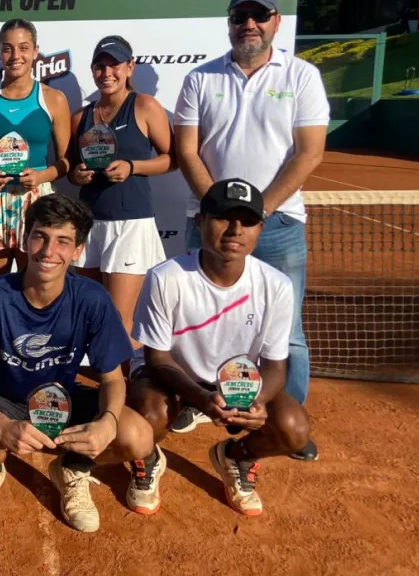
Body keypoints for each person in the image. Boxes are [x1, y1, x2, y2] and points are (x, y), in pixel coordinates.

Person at [173, 0, 328, 460]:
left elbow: (309, 152)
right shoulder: (200, 78)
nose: (250, 24)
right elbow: (186, 151)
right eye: (241, 16)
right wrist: (218, 212)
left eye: (260, 15)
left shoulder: (302, 76)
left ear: (276, 22)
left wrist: (259, 212)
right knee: (194, 320)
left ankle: (283, 421)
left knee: (288, 334)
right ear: (230, 23)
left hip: (279, 225)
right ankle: (195, 400)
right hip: (210, 224)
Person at [0, 194, 154, 533]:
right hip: (3, 400)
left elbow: (112, 379)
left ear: (78, 250)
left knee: (137, 436)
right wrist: (0, 425)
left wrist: (107, 422)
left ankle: (73, 468)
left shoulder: (92, 298)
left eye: (63, 241)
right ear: (25, 239)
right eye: (40, 237)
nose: (48, 251)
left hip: (62, 400)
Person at [125, 179, 310, 517]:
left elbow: (275, 366)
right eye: (223, 217)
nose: (235, 230)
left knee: (294, 429)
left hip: (235, 381)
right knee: (150, 415)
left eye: (248, 221)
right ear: (200, 221)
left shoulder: (277, 286)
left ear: (260, 228)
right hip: (170, 375)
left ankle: (236, 456)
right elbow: (157, 358)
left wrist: (257, 402)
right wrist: (202, 398)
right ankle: (147, 458)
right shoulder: (166, 277)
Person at [69, 36, 175, 347]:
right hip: (88, 225)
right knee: (86, 314)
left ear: (130, 67)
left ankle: (126, 377)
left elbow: (173, 159)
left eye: (114, 65)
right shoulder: (81, 117)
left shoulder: (144, 106)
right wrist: (77, 175)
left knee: (120, 319)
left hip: (130, 224)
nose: (107, 73)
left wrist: (132, 166)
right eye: (100, 66)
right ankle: (96, 374)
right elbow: (72, 170)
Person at [0, 18, 71, 280]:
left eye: (23, 48)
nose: (15, 56)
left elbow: (66, 161)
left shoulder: (54, 99)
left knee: (35, 289)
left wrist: (42, 176)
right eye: (7, 48)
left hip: (36, 203)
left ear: (35, 51)